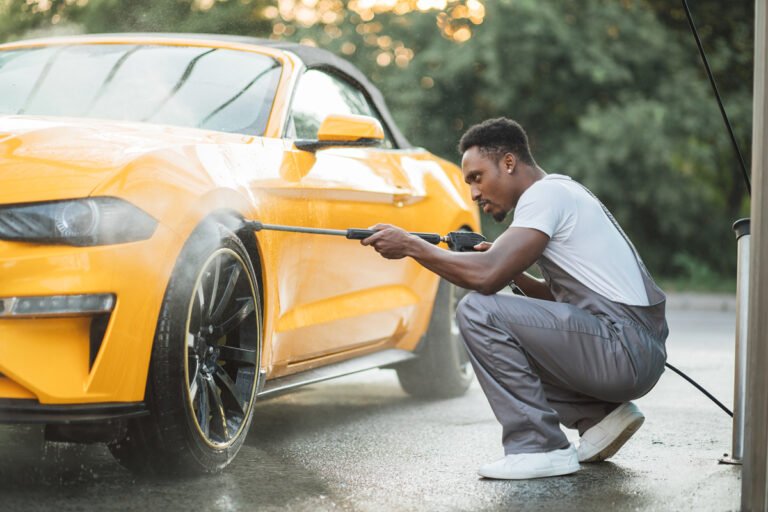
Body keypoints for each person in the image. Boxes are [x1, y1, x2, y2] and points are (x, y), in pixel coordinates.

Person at [361, 117, 668, 480]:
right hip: (634, 349)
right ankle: (600, 417)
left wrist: (412, 246)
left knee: (478, 311)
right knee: (505, 319)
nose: (474, 193)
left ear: (508, 163)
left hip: (623, 349)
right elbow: (557, 300)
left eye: (477, 177)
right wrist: (516, 273)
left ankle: (539, 446)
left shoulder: (544, 195)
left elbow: (487, 277)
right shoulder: (566, 193)